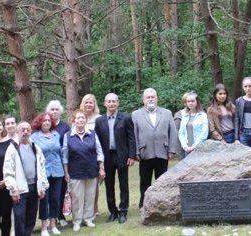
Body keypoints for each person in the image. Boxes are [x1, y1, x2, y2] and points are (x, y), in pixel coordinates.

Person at [131, 88, 179, 208]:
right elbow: (134, 134)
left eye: (153, 97)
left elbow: (172, 132)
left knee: (162, 181)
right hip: (144, 153)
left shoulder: (167, 113)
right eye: (148, 97)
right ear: (144, 100)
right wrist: (136, 152)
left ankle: (162, 204)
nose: (151, 99)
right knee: (144, 181)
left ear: (157, 99)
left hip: (162, 152)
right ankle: (144, 204)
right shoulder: (136, 115)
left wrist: (172, 150)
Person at [94, 93, 136, 224]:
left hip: (122, 155)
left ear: (118, 103)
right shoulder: (99, 121)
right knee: (109, 185)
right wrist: (99, 160)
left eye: (114, 101)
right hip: (107, 157)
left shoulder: (126, 118)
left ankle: (123, 211)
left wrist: (132, 155)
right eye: (109, 101)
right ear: (105, 104)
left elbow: (131, 138)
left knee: (124, 184)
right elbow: (97, 141)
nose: (111, 104)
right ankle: (113, 211)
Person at [62, 110, 105, 232]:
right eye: (78, 118)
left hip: (92, 170)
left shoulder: (92, 134)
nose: (81, 120)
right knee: (77, 198)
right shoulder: (68, 136)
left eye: (83, 118)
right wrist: (66, 172)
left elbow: (99, 151)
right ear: (74, 121)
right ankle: (77, 221)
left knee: (90, 196)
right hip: (75, 172)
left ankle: (88, 219)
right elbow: (65, 156)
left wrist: (101, 167)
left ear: (85, 120)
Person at [4, 121, 49, 236]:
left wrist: (42, 187)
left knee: (31, 217)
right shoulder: (12, 148)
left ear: (31, 131)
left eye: (27, 130)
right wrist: (13, 189)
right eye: (22, 130)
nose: (25, 132)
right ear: (17, 132)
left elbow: (42, 168)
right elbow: (8, 171)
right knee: (19, 217)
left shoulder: (35, 147)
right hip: (20, 189)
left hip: (34, 187)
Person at [30, 113, 64, 235]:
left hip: (57, 171)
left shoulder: (56, 135)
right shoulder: (34, 137)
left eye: (49, 120)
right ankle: (44, 227)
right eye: (44, 120)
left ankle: (53, 225)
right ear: (40, 122)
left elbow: (60, 153)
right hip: (43, 173)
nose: (47, 122)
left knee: (55, 199)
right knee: (44, 200)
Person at [45, 100, 71, 228]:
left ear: (60, 111)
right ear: (48, 112)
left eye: (56, 109)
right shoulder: (45, 125)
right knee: (48, 192)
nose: (54, 112)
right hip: (46, 164)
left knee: (60, 191)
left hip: (62, 164)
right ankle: (49, 218)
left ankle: (60, 215)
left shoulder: (65, 127)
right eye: (52, 109)